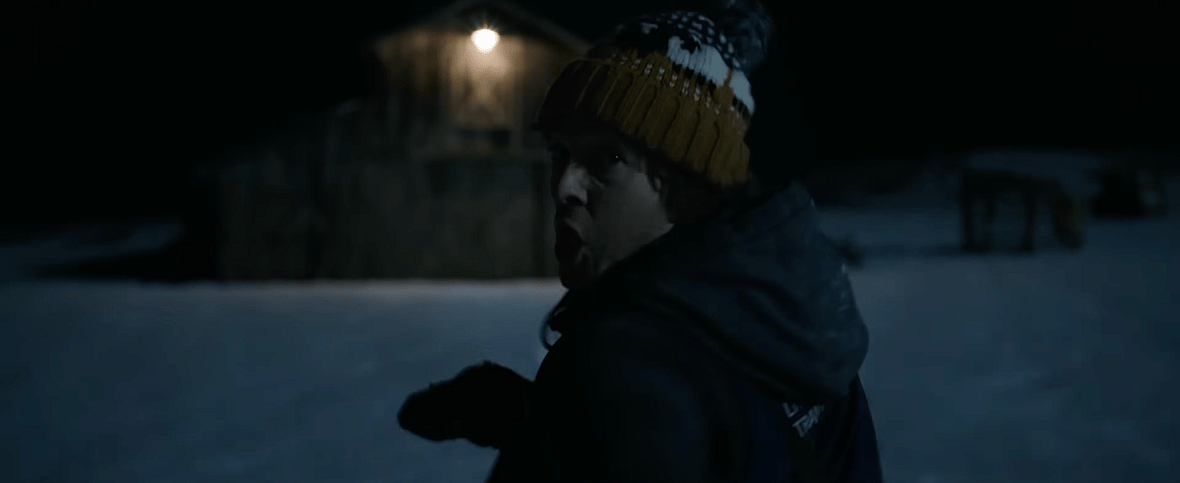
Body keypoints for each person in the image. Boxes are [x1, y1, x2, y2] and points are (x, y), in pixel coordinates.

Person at [399, 1, 884, 482]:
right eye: (560, 152)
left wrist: (587, 406)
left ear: (691, 189)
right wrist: (542, 417)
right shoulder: (785, 325)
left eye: (608, 157)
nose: (565, 186)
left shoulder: (629, 365)